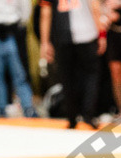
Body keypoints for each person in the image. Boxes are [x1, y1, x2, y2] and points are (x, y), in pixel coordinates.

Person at [39, 0, 105, 129]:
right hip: (87, 33)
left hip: (62, 35)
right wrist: (101, 33)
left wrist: (45, 42)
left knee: (67, 77)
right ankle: (88, 114)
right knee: (90, 76)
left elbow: (45, 13)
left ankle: (71, 116)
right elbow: (95, 7)